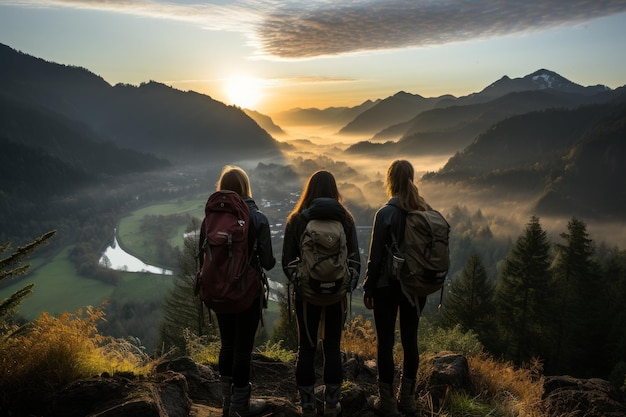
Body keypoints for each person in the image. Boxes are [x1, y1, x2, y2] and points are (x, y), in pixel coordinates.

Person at [198, 165, 276, 417]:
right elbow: (268, 262)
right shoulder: (258, 218)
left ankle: (227, 403)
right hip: (247, 293)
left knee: (227, 345)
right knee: (243, 349)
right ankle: (240, 407)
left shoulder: (209, 218)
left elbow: (202, 259)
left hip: (218, 292)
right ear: (246, 187)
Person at [282, 170, 361, 417]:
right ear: (335, 189)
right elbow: (355, 260)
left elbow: (287, 261)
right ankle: (331, 405)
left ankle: (307, 406)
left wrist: (300, 281)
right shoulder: (346, 219)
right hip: (336, 295)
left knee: (306, 348)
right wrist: (346, 285)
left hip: (307, 295)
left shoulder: (297, 220)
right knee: (332, 347)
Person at [363, 160, 429, 417]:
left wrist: (368, 287)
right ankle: (408, 400)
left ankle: (387, 403)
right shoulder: (424, 210)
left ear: (390, 180)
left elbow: (375, 257)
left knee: (386, 344)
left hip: (386, 286)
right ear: (412, 178)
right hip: (415, 286)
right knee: (410, 340)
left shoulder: (384, 214)